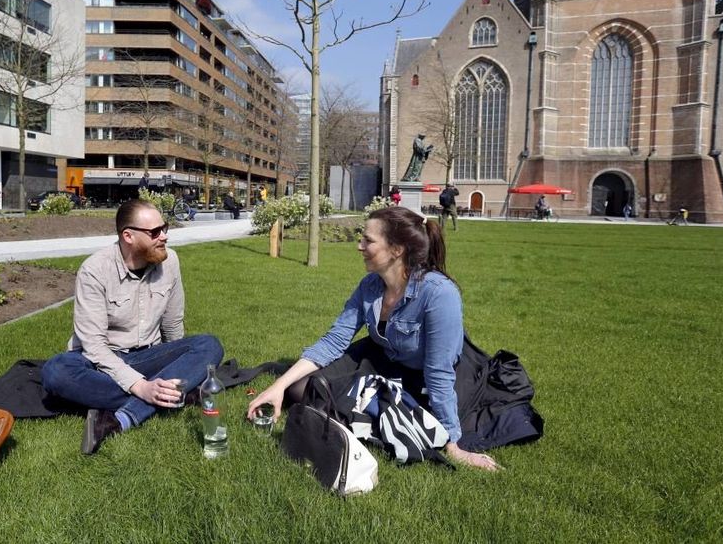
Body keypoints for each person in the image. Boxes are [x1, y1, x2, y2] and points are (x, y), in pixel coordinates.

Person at [246, 206, 502, 471]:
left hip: (424, 375)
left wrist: (453, 444)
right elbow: (334, 340)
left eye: (368, 240)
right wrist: (278, 386)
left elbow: (439, 371)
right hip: (384, 356)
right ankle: (356, 412)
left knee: (409, 420)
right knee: (300, 389)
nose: (359, 246)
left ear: (397, 250)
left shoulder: (438, 293)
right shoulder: (370, 285)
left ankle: (356, 415)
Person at [41, 199, 224, 455]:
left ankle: (120, 419)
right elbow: (93, 346)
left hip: (148, 355)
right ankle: (175, 395)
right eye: (155, 232)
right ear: (128, 236)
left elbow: (172, 325)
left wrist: (180, 363)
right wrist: (142, 387)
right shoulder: (94, 270)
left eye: (165, 228)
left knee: (208, 345)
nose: (165, 237)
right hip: (101, 361)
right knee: (56, 371)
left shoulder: (169, 262)